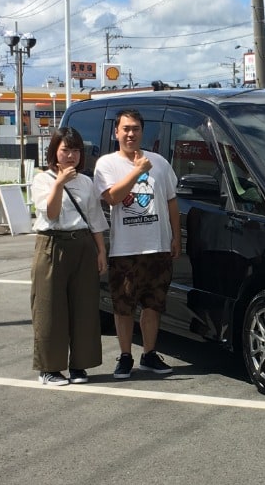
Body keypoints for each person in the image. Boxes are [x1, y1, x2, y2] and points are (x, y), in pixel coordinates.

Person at [93, 109, 180, 379]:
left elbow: (171, 201)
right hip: (125, 249)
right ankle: (125, 355)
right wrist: (138, 170)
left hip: (158, 246)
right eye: (126, 129)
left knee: (154, 304)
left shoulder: (160, 163)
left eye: (136, 129)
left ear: (143, 132)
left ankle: (149, 354)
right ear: (116, 132)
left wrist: (175, 237)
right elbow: (113, 198)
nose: (131, 134)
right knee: (124, 305)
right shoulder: (106, 164)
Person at [31, 127, 108, 385]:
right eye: (65, 150)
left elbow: (95, 220)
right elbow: (50, 213)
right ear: (54, 151)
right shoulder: (42, 179)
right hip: (52, 245)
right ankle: (49, 368)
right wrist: (59, 182)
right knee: (50, 308)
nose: (71, 156)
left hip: (83, 243)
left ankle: (79, 365)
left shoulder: (86, 182)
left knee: (84, 307)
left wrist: (101, 252)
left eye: (76, 150)